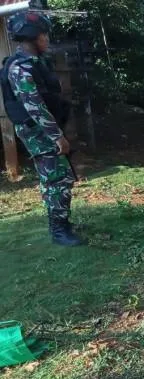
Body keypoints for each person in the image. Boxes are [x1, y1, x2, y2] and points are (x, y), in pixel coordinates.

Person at [1, 11, 79, 246]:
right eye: (43, 35)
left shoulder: (35, 63)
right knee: (57, 179)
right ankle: (59, 230)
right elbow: (34, 106)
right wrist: (57, 137)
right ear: (32, 37)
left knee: (59, 177)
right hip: (39, 131)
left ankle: (61, 223)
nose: (47, 39)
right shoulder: (19, 69)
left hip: (44, 129)